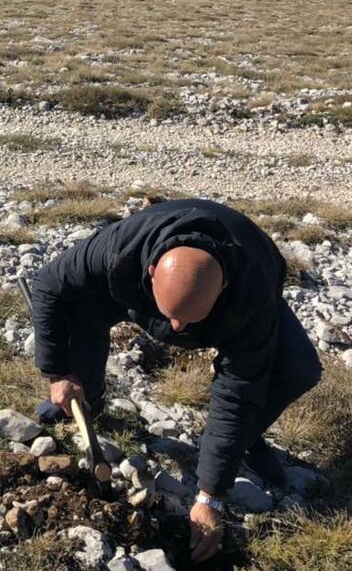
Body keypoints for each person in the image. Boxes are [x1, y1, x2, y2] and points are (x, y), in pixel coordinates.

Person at [26, 199, 321, 564]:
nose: (176, 330)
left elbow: (238, 390)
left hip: (249, 271)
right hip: (134, 289)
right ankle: (87, 396)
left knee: (298, 368)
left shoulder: (249, 298)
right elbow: (49, 286)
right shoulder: (119, 250)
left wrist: (211, 496)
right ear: (151, 271)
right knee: (81, 307)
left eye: (189, 321)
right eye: (171, 318)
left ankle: (242, 441)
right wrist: (57, 372)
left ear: (222, 288)